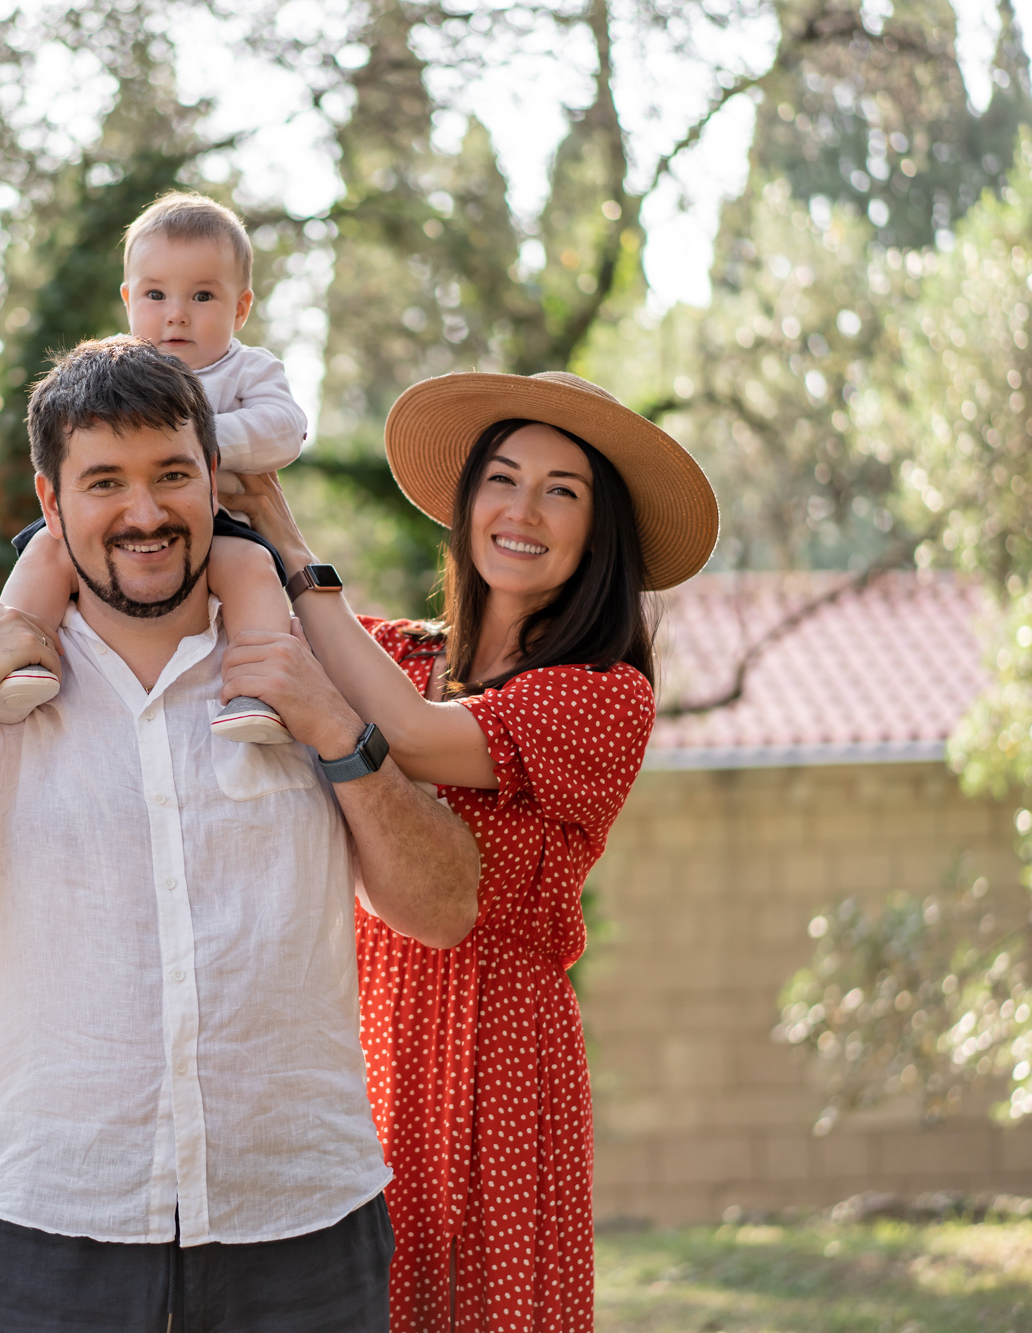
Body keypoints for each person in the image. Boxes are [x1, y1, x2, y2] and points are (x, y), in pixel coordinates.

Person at [0, 337, 482, 1331]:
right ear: (50, 504)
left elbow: (443, 907)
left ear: (212, 475)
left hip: (300, 1227)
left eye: (171, 474)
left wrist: (338, 729)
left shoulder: (313, 661)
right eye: (104, 482)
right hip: (47, 1234)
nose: (144, 512)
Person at [227, 370, 719, 1331]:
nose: (522, 510)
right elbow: (253, 641)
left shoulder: (602, 694)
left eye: (561, 491)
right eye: (502, 478)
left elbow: (409, 735)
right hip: (366, 1033)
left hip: (503, 1057)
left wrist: (292, 546)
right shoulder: (398, 654)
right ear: (467, 504)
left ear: (599, 531)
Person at [0, 191, 307, 745]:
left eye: (202, 295)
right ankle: (18, 658)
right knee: (47, 550)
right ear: (129, 299)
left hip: (218, 524)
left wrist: (196, 441)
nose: (176, 313)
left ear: (240, 308)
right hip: (112, 516)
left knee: (253, 568)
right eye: (156, 294)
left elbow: (285, 429)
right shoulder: (115, 368)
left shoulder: (247, 369)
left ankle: (259, 690)